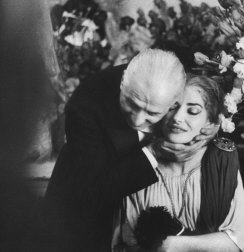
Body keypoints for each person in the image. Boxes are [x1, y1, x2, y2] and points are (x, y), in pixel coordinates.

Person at [32, 49, 216, 252]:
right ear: (122, 84)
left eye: (152, 113)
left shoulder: (177, 85)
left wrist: (214, 125)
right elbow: (95, 189)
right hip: (81, 205)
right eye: (131, 104)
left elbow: (210, 106)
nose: (137, 120)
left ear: (174, 103)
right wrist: (153, 151)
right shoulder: (84, 107)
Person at [112, 75, 244, 252]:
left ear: (209, 121)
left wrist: (171, 245)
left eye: (192, 111)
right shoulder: (141, 161)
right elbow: (127, 242)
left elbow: (237, 242)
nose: (177, 117)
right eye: (171, 108)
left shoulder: (220, 163)